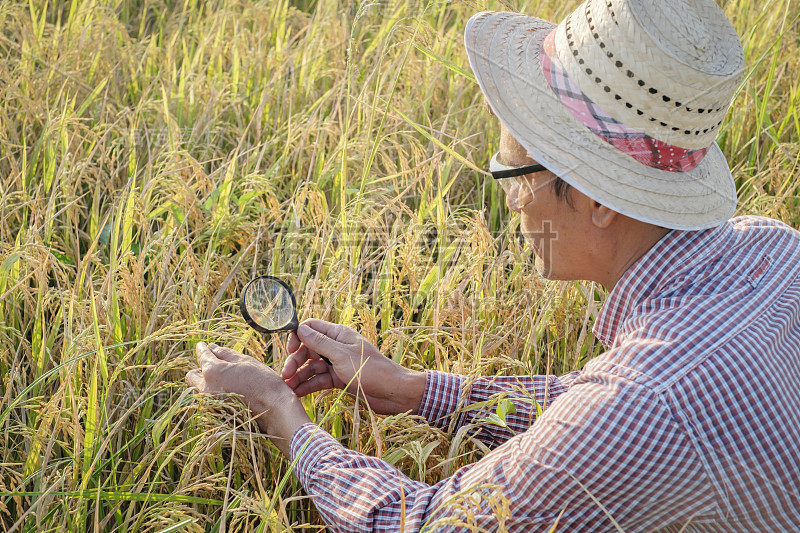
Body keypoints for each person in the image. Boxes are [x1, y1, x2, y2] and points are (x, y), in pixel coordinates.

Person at [185, 0, 800, 530]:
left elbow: (425, 525)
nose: (506, 199)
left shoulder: (649, 397)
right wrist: (409, 389)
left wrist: (277, 408)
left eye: (512, 173)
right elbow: (586, 411)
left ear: (594, 198)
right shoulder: (771, 248)